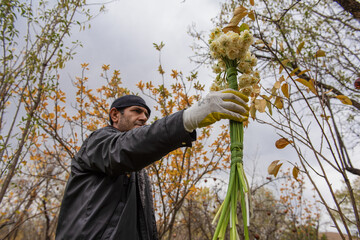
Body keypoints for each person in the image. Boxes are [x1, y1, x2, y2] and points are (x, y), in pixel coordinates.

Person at [55, 89, 249, 240]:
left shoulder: (138, 171)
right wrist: (186, 119)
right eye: (137, 111)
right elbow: (126, 148)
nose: (144, 118)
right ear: (115, 115)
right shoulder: (98, 143)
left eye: (146, 114)